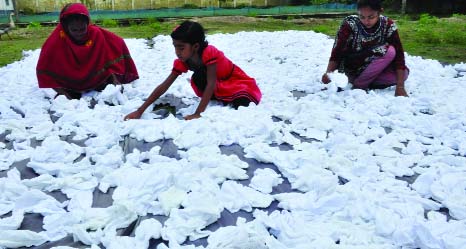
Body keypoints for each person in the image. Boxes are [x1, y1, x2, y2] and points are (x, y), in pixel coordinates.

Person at [124, 21, 262, 121]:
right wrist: (140, 111)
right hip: (213, 83)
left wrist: (198, 113)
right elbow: (164, 85)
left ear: (196, 46)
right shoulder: (183, 61)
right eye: (175, 47)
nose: (177, 52)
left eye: (181, 48)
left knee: (244, 104)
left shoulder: (209, 53)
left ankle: (228, 97)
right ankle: (221, 97)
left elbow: (211, 83)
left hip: (233, 80)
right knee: (198, 77)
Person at [36, 3, 139, 99]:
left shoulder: (96, 34)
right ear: (66, 27)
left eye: (82, 29)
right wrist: (64, 96)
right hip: (69, 79)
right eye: (74, 30)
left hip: (95, 75)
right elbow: (44, 69)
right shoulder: (57, 39)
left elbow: (117, 41)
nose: (79, 34)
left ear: (88, 24)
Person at [321, 0, 409, 97]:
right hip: (353, 67)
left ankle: (364, 81)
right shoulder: (349, 24)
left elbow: (399, 56)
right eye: (362, 17)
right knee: (389, 51)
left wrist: (400, 87)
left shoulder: (388, 25)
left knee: (403, 74)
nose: (366, 21)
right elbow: (337, 51)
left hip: (374, 68)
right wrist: (329, 73)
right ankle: (359, 85)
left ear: (380, 12)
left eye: (371, 17)